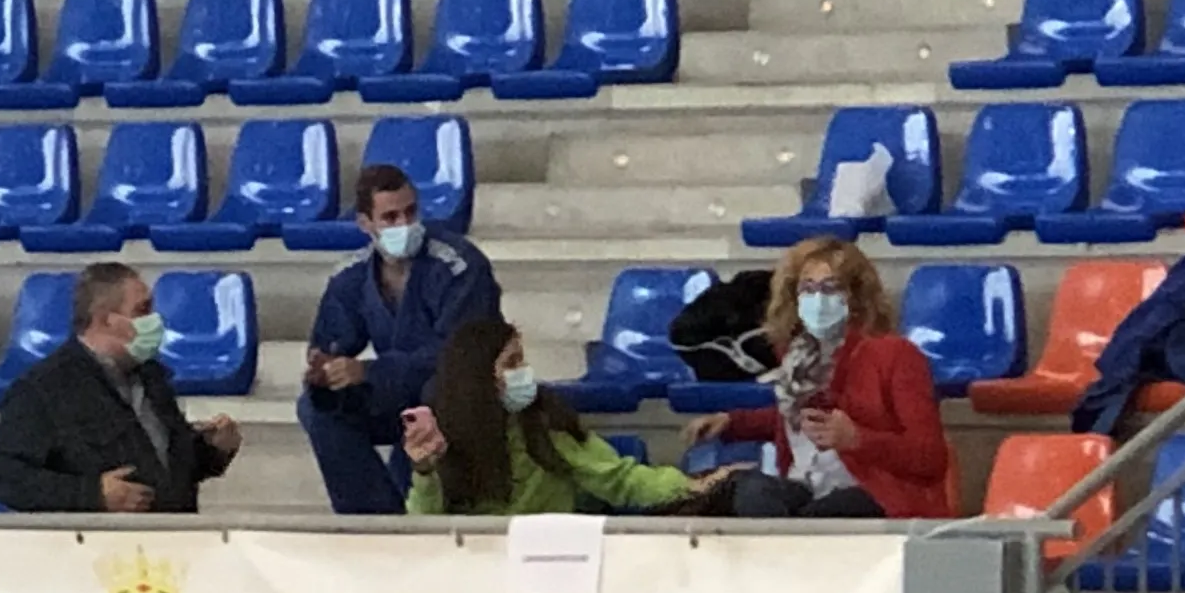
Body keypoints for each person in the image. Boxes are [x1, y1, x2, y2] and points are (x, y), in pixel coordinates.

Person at [706, 237, 958, 520]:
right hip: (809, 486)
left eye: (830, 288)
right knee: (749, 492)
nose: (818, 299)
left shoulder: (895, 354)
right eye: (808, 288)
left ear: (857, 296)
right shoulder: (797, 356)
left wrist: (858, 439)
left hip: (875, 493)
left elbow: (930, 457)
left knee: (823, 516)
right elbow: (799, 422)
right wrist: (733, 422)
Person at [302, 165, 500, 514]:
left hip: (463, 394)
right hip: (399, 391)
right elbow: (330, 342)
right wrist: (325, 370)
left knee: (435, 392)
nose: (404, 225)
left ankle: (426, 511)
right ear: (366, 224)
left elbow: (463, 355)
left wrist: (370, 372)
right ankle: (373, 518)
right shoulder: (351, 277)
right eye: (390, 217)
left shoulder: (459, 265)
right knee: (318, 407)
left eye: (410, 213)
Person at [0, 262, 239, 514]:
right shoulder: (43, 388)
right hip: (98, 549)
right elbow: (2, 476)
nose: (154, 320)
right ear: (106, 321)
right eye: (142, 310)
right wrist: (91, 494)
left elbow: (174, 467)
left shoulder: (152, 377)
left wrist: (213, 450)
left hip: (174, 542)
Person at [401, 320, 717, 517]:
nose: (524, 372)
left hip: (550, 559)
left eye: (522, 360)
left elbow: (619, 480)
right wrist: (424, 472)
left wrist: (696, 486)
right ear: (478, 379)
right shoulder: (442, 435)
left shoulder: (544, 420)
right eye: (511, 363)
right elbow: (425, 529)